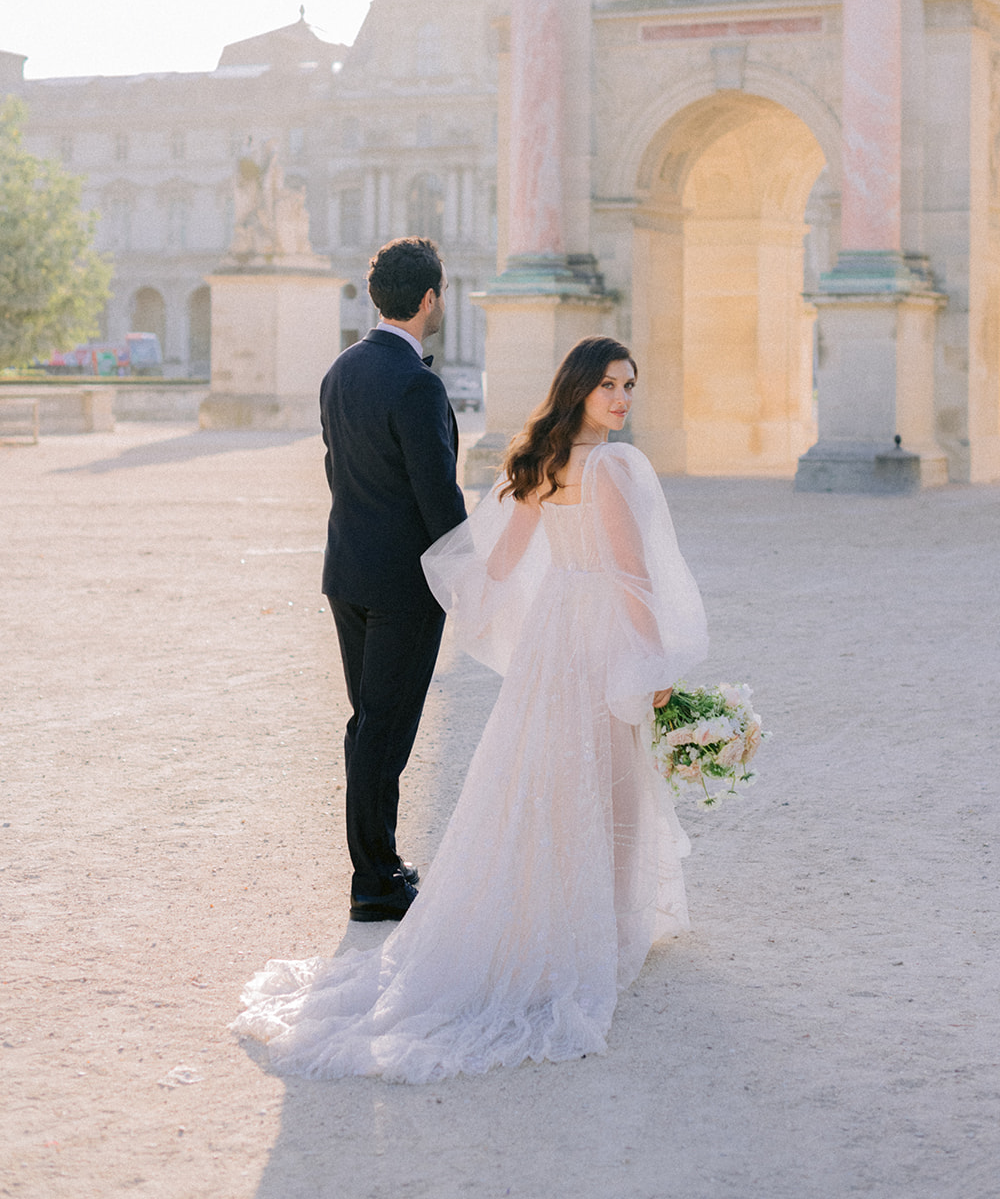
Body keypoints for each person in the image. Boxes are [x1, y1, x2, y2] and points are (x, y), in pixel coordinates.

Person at [233, 337, 708, 1081]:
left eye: (628, 387)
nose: (621, 400)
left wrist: (478, 615)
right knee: (612, 779)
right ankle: (611, 931)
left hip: (556, 635)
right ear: (580, 388)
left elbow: (494, 568)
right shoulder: (615, 464)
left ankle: (562, 921)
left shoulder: (540, 464)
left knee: (544, 778)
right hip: (598, 633)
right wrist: (656, 664)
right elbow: (631, 573)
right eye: (610, 385)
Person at [319, 236, 467, 923]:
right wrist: (474, 577)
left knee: (369, 725)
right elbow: (438, 499)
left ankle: (378, 864)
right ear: (430, 297)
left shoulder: (341, 369)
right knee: (384, 730)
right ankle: (375, 880)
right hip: (404, 585)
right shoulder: (416, 383)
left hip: (347, 570)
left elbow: (339, 474)